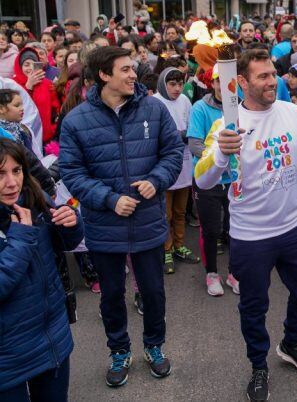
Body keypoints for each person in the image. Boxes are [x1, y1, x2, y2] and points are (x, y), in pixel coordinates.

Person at [193, 49, 297, 402]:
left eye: (273, 74)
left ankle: (291, 342)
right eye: (262, 76)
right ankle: (258, 365)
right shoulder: (225, 126)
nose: (272, 81)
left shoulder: (293, 114)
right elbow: (203, 181)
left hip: (294, 226)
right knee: (254, 307)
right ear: (241, 82)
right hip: (250, 235)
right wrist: (220, 154)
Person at [59, 46, 183, 387]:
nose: (133, 75)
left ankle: (154, 347)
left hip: (148, 221)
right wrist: (110, 199)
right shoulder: (76, 120)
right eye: (125, 69)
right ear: (103, 75)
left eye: (133, 69)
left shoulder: (154, 110)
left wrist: (156, 181)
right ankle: (119, 351)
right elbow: (72, 171)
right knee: (111, 295)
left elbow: (173, 153)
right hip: (104, 224)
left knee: (154, 292)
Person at [0, 138, 83, 402]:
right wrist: (21, 239)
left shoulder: (34, 197)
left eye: (17, 170)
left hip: (51, 339)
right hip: (7, 356)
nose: (12, 182)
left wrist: (71, 224)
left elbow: (63, 245)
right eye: (0, 173)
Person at [186, 64, 239, 296]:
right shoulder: (200, 107)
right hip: (207, 180)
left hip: (235, 179)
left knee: (235, 228)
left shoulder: (241, 106)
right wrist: (220, 157)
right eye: (218, 81)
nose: (223, 86)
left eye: (228, 82)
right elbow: (195, 144)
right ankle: (211, 274)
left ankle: (234, 274)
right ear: (213, 83)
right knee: (210, 229)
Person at [152, 67, 199, 274]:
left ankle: (179, 244)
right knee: (165, 213)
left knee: (180, 211)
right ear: (163, 83)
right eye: (172, 84)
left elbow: (191, 126)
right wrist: (176, 136)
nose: (177, 88)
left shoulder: (185, 101)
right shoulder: (154, 102)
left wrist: (186, 134)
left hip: (185, 160)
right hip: (163, 163)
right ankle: (166, 248)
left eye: (180, 84)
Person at [12, 48, 60, 149]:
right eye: (26, 64)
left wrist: (51, 130)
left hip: (45, 138)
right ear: (20, 67)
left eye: (34, 64)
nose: (30, 68)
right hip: (22, 138)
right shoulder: (13, 84)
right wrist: (28, 87)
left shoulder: (47, 84)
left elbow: (56, 109)